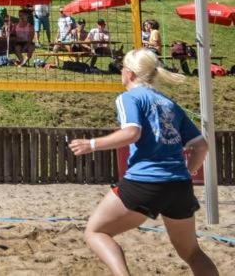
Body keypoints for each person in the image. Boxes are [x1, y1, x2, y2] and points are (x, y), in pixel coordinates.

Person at [68, 49, 216, 276]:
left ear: (129, 73)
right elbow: (201, 146)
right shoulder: (169, 103)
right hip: (179, 185)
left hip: (144, 182)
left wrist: (92, 144)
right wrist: (188, 171)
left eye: (122, 69)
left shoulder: (129, 97)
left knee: (95, 232)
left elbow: (132, 133)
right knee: (192, 253)